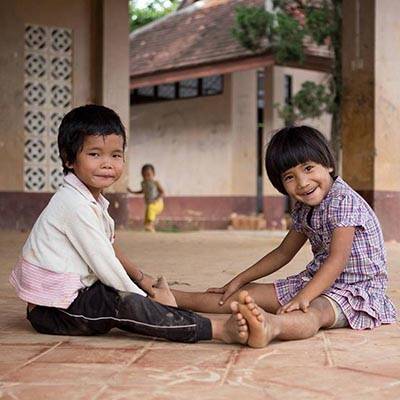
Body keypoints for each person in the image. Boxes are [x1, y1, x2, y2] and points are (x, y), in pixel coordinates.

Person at [9, 104, 249, 345]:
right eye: (95, 154)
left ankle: (177, 312)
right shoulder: (74, 205)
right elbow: (107, 267)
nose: (107, 164)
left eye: (115, 155)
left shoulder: (91, 200)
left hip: (68, 297)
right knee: (126, 304)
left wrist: (143, 279)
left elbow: (110, 248)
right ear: (69, 158)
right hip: (55, 311)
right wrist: (146, 298)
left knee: (130, 292)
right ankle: (216, 329)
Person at [173, 125, 397, 348]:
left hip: (357, 290)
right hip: (316, 280)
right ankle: (173, 297)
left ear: (328, 164)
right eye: (290, 177)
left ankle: (271, 326)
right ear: (281, 184)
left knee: (314, 310)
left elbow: (336, 260)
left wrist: (303, 297)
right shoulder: (303, 207)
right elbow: (283, 253)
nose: (302, 182)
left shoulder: (344, 201)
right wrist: (240, 280)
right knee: (246, 292)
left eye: (308, 168)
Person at [127, 164, 164, 232]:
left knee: (151, 209)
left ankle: (150, 224)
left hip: (158, 203)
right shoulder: (143, 183)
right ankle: (150, 228)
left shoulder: (156, 183)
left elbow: (162, 192)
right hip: (150, 203)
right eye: (144, 175)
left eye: (148, 175)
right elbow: (142, 191)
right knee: (147, 214)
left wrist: (156, 199)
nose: (146, 177)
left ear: (153, 174)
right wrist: (132, 192)